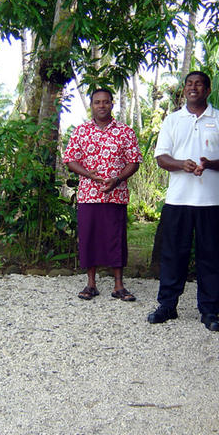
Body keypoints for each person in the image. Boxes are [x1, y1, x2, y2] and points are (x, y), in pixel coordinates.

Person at [147, 71, 219, 330]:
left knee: (210, 256)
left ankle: (210, 311)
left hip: (210, 201)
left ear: (208, 90)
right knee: (173, 254)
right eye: (189, 84)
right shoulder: (173, 120)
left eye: (199, 84)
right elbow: (161, 158)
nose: (193, 87)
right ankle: (167, 305)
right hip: (178, 200)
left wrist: (209, 163)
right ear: (184, 90)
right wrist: (181, 164)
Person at [63, 88, 143, 302]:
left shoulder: (125, 132)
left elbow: (134, 162)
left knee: (115, 238)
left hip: (116, 194)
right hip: (88, 194)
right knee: (89, 237)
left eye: (105, 102)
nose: (101, 106)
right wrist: (89, 175)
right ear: (91, 105)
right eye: (97, 102)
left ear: (112, 104)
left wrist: (116, 179)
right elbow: (70, 160)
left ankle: (119, 285)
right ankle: (91, 283)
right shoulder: (80, 131)